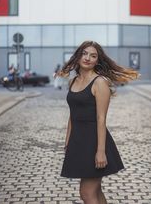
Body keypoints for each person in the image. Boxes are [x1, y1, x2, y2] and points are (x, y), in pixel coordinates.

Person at [56, 41, 139, 203]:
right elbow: (73, 114)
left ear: (97, 60)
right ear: (78, 55)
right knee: (95, 192)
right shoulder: (73, 81)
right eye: (85, 53)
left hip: (94, 142)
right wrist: (67, 142)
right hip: (78, 142)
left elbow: (101, 119)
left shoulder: (100, 82)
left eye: (93, 56)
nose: (87, 58)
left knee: (87, 193)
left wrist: (101, 151)